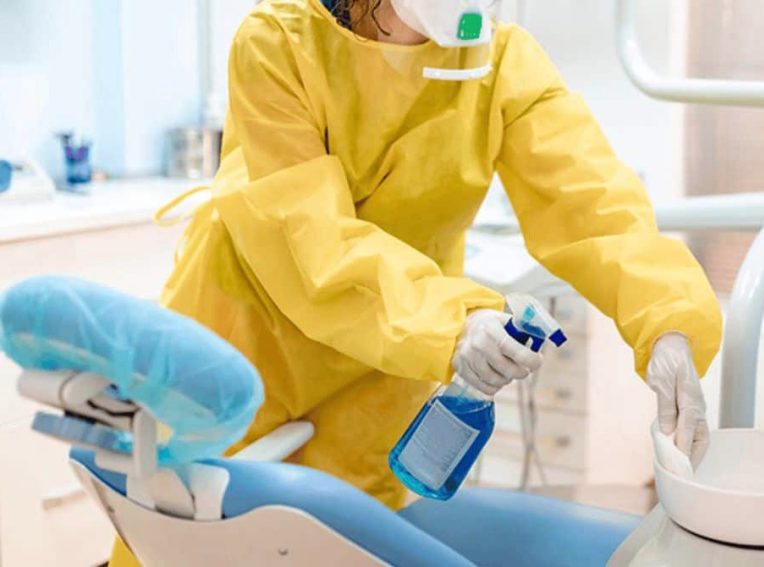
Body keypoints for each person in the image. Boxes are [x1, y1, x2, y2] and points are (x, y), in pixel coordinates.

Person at [111, 0, 722, 563]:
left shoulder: (500, 62)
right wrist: (454, 321)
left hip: (383, 371)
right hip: (244, 355)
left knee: (347, 547)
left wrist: (668, 322)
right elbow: (310, 244)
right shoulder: (278, 44)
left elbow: (594, 205)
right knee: (190, 536)